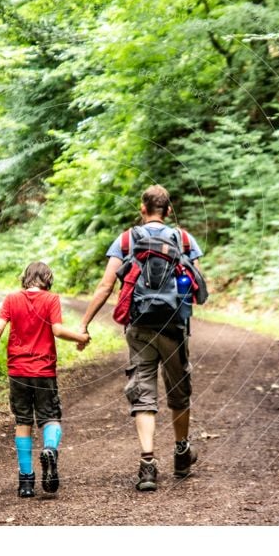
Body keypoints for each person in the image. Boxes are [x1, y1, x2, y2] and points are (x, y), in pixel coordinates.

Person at [79, 185, 204, 491]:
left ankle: (148, 464)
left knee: (142, 389)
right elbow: (199, 286)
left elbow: (106, 286)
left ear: (142, 209)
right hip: (174, 325)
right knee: (179, 388)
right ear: (169, 211)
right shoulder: (184, 239)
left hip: (139, 326)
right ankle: (181, 452)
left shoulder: (126, 239)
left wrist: (84, 324)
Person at [0, 261, 89, 498]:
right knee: (51, 418)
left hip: (17, 371)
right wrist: (81, 337)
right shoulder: (51, 299)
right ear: (48, 278)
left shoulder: (11, 299)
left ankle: (26, 482)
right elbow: (57, 330)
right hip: (43, 371)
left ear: (25, 278)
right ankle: (49, 450)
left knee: (23, 422)